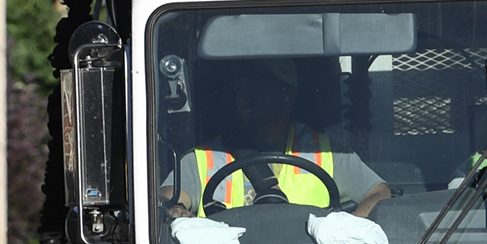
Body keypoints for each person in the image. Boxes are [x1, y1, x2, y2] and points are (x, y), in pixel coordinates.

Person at [165, 57, 392, 217]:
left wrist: (349, 226)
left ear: (288, 94)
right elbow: (166, 200)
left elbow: (380, 194)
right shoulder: (206, 157)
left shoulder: (326, 152)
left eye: (257, 83)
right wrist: (175, 211)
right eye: (241, 86)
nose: (244, 93)